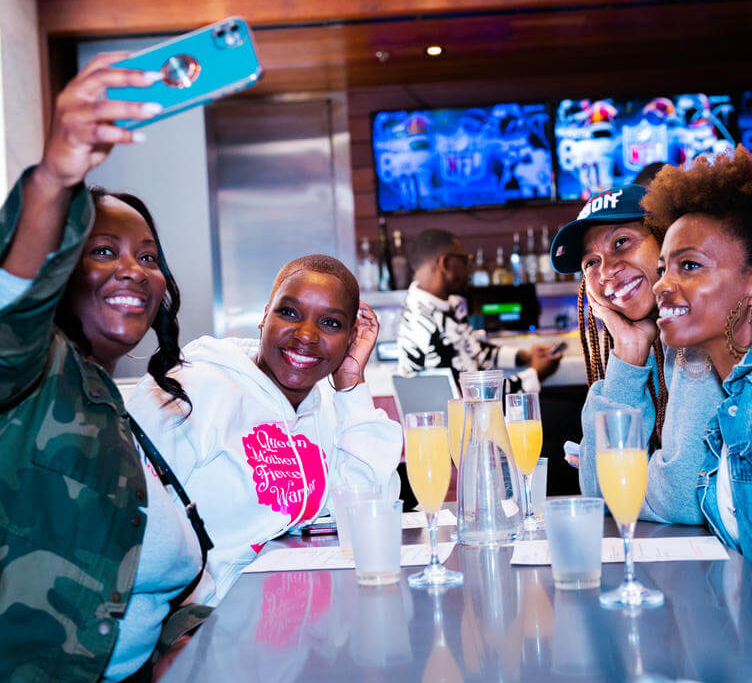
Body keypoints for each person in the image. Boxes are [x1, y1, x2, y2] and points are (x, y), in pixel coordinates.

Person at [0, 56, 213, 683]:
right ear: (60, 277)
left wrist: (174, 642)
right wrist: (54, 177)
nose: (135, 270)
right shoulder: (25, 376)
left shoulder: (117, 406)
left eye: (149, 257)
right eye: (104, 252)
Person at [128, 254, 403, 603]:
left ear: (351, 339)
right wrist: (180, 627)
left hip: (290, 629)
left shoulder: (327, 408)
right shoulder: (190, 390)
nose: (305, 334)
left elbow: (368, 514)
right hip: (199, 629)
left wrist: (351, 386)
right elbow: (126, 523)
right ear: (264, 317)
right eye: (288, 312)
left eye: (331, 323)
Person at [550, 182, 723, 523]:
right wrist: (628, 352)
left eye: (621, 242)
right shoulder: (652, 345)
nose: (606, 271)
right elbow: (596, 491)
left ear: (667, 240)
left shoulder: (701, 338)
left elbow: (683, 498)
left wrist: (619, 490)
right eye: (590, 262)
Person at [642, 147, 752, 554]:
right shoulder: (731, 406)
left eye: (689, 266)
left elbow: (676, 497)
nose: (661, 286)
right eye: (663, 269)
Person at [396, 228, 560, 391]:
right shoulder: (424, 327)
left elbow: (473, 349)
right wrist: (536, 373)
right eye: (464, 260)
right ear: (445, 263)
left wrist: (524, 356)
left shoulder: (443, 305)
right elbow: (469, 399)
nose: (469, 269)